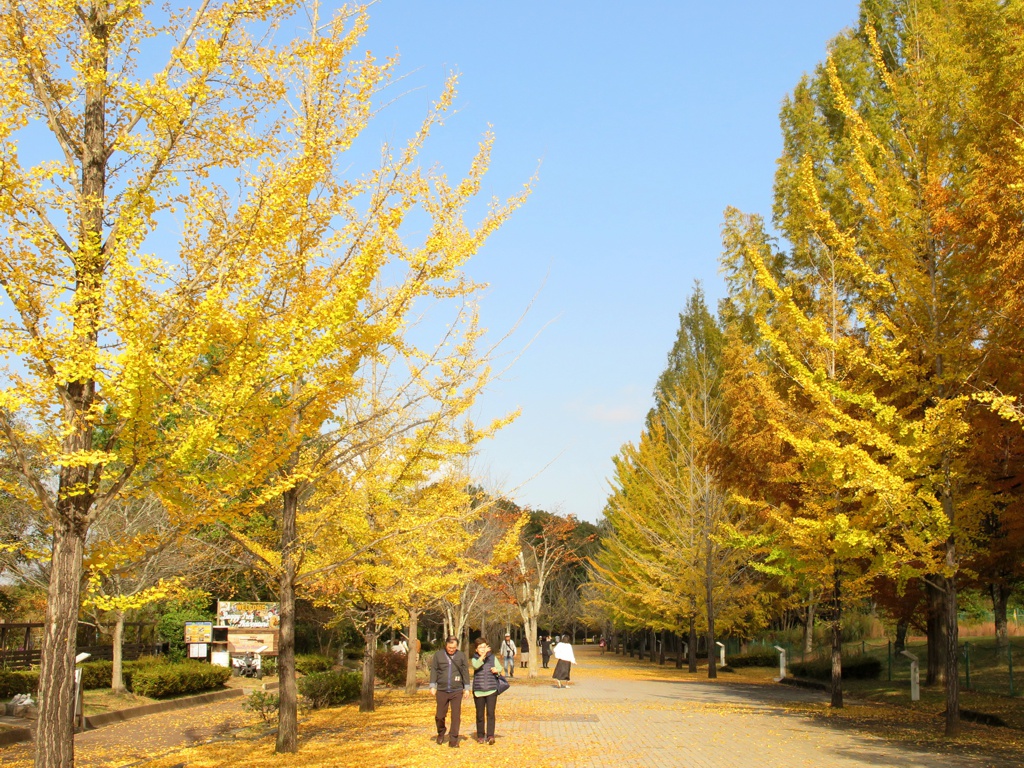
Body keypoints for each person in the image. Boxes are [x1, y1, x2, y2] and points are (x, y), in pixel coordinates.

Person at [429, 636, 470, 747]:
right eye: (449, 647)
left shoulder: (461, 655)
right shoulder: (439, 655)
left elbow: (465, 671)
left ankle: (453, 739)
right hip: (442, 689)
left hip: (456, 690)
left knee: (456, 715)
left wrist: (466, 688)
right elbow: (434, 669)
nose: (451, 649)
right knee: (440, 715)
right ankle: (441, 732)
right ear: (446, 645)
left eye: (454, 647)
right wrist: (433, 685)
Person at [471, 637, 504, 745]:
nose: (482, 649)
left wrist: (497, 670)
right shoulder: (474, 658)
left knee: (491, 714)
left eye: (484, 647)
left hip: (491, 690)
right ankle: (480, 735)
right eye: (480, 647)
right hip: (479, 690)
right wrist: (483, 656)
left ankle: (490, 735)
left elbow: (500, 669)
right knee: (480, 714)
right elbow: (476, 666)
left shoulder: (492, 658)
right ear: (476, 649)